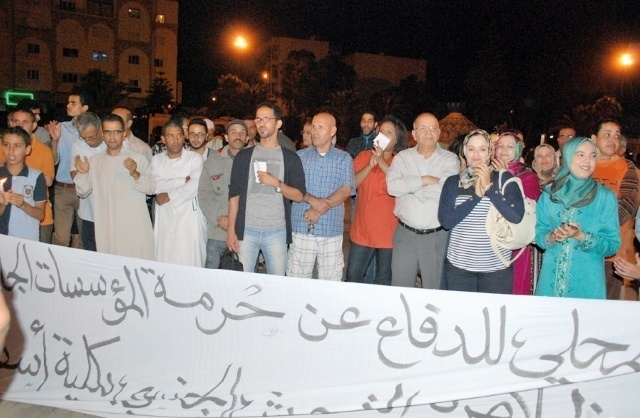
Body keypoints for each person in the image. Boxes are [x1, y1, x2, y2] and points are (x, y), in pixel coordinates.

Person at [438, 130, 524, 294]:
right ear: (464, 152)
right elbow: (446, 221)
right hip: (458, 268)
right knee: (461, 317)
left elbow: (516, 216)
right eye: (471, 149)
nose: (476, 154)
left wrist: (490, 189)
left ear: (490, 152)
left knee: (493, 318)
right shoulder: (453, 182)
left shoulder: (503, 179)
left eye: (482, 149)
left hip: (496, 269)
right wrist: (476, 196)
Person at [535, 137, 621, 299]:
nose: (587, 161)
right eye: (580, 155)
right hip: (550, 284)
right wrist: (553, 236)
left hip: (587, 285)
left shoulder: (604, 197)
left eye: (592, 155)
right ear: (567, 157)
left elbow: (612, 245)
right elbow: (539, 237)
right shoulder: (549, 195)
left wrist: (581, 236)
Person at [226, 102, 306, 276]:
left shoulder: (291, 158)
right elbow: (234, 196)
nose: (261, 123)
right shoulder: (244, 156)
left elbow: (299, 195)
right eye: (259, 119)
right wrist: (231, 231)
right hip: (246, 231)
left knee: (276, 286)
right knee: (242, 283)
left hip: (276, 231)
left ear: (278, 124)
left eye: (267, 119)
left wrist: (276, 183)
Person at [387, 113, 460, 289]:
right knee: (400, 289)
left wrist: (411, 187)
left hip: (436, 236)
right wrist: (425, 179)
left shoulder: (450, 159)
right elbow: (393, 187)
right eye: (423, 128)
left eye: (433, 128)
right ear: (414, 134)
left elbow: (447, 192)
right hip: (405, 235)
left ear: (439, 132)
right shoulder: (402, 158)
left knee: (433, 290)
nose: (429, 132)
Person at [73, 114, 155, 260]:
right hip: (107, 228)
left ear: (123, 135)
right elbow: (82, 192)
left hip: (134, 227)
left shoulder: (137, 158)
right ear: (102, 134)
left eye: (116, 132)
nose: (112, 136)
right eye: (108, 132)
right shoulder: (95, 161)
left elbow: (152, 189)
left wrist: (136, 174)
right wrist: (83, 173)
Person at [287, 112, 354, 280]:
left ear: (332, 131)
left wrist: (319, 209)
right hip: (302, 227)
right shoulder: (300, 156)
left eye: (320, 127)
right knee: (297, 280)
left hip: (330, 229)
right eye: (313, 127)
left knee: (330, 283)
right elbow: (294, 188)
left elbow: (346, 189)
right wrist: (314, 201)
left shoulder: (343, 158)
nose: (314, 131)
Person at [346, 115, 408, 285]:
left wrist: (381, 161)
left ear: (397, 140)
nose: (383, 135)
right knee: (353, 276)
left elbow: (400, 184)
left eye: (389, 132)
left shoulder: (401, 161)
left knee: (384, 279)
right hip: (362, 230)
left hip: (389, 233)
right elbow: (353, 184)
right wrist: (370, 165)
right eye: (381, 131)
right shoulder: (364, 156)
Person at [591, 119, 640, 300]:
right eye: (607, 134)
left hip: (610, 256)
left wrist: (588, 233)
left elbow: (625, 208)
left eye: (616, 135)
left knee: (605, 312)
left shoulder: (627, 169)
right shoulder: (583, 164)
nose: (613, 139)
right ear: (594, 138)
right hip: (580, 252)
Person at [151, 121, 207, 267]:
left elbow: (195, 185)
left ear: (184, 137)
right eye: (171, 136)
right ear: (163, 139)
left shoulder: (194, 158)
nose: (176, 140)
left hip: (189, 217)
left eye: (179, 135)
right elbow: (155, 185)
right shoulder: (157, 160)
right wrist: (182, 180)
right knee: (165, 258)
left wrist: (169, 195)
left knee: (189, 260)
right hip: (165, 215)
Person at [493, 131, 541, 295]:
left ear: (518, 150)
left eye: (510, 146)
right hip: (490, 239)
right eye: (500, 146)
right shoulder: (487, 172)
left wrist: (504, 175)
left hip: (515, 241)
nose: (504, 150)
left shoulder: (528, 176)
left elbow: (521, 207)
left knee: (514, 289)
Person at [199, 120, 249, 268]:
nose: (238, 136)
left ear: (247, 138)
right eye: (233, 132)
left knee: (244, 283)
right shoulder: (212, 162)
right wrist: (223, 220)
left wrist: (236, 222)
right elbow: (204, 195)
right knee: (211, 282)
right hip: (218, 232)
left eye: (242, 132)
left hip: (246, 234)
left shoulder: (255, 163)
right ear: (226, 137)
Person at [46, 89, 91, 248]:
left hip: (85, 190)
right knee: (61, 239)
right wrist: (55, 141)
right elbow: (53, 160)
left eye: (73, 103)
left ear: (84, 107)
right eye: (68, 102)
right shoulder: (61, 128)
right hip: (62, 188)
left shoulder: (93, 130)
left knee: (83, 239)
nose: (68, 106)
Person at [6, 109, 55, 244]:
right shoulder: (4, 148)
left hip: (36, 218)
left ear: (33, 126)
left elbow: (49, 181)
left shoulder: (43, 151)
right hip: (7, 222)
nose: (20, 125)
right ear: (11, 123)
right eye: (16, 121)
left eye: (25, 122)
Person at [0, 127, 46, 241]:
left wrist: (23, 205)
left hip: (25, 239)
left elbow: (40, 214)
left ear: (27, 149)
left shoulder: (36, 177)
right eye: (6, 145)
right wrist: (3, 204)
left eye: (17, 146)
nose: (11, 150)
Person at [70, 112, 107, 251]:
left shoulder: (111, 144)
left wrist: (86, 175)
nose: (88, 142)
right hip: (88, 212)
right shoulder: (77, 145)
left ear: (100, 129)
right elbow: (75, 176)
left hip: (109, 213)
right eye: (83, 138)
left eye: (91, 137)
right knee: (90, 250)